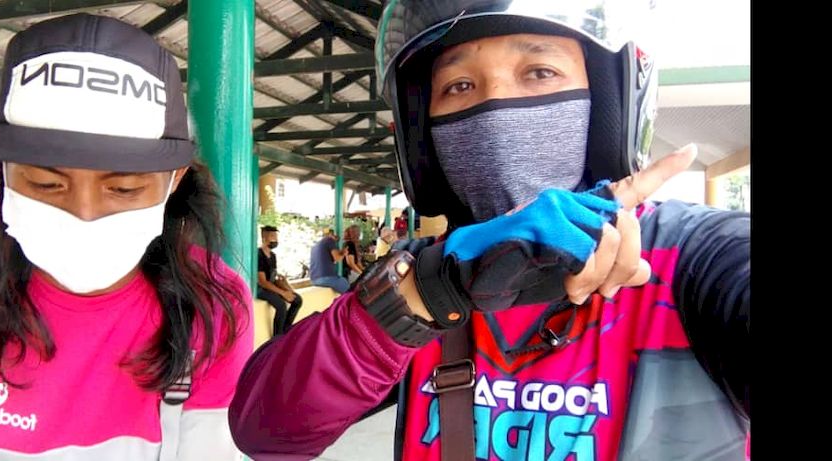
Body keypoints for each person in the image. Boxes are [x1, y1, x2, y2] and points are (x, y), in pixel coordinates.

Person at [228, 2, 749, 460]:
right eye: (459, 86)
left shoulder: (697, 257)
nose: (495, 105)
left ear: (611, 103)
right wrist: (428, 294)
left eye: (540, 72)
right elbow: (267, 431)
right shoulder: (417, 274)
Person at [0, 14, 253, 460]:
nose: (83, 214)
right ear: (3, 172)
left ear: (174, 181)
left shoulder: (211, 303)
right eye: (46, 184)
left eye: (122, 188)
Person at [256, 225, 303, 336]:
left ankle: (285, 331)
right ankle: (277, 338)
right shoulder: (259, 254)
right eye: (272, 236)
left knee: (297, 300)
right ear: (264, 238)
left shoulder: (273, 256)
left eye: (276, 236)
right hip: (260, 289)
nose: (276, 239)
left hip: (270, 286)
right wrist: (283, 293)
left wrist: (286, 287)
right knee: (281, 306)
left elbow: (273, 278)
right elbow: (263, 281)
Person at [309, 228, 350, 293]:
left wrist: (341, 253)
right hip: (326, 278)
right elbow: (337, 258)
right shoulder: (329, 240)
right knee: (347, 288)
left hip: (314, 280)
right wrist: (344, 253)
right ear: (331, 234)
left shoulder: (315, 246)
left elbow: (331, 259)